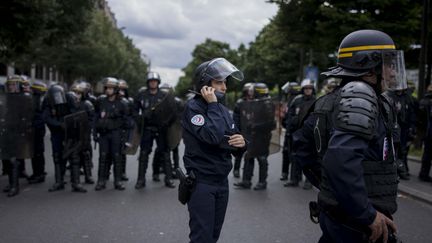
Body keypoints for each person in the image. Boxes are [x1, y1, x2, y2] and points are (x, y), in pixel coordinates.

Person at [292, 29, 402, 243]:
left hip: (339, 212)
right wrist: (366, 213)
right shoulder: (360, 98)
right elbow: (340, 160)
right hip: (358, 220)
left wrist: (331, 188)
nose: (393, 73)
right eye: (389, 64)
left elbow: (304, 152)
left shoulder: (330, 100)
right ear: (369, 69)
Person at [182, 57, 246, 243]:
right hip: (202, 182)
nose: (225, 87)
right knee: (202, 237)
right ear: (205, 85)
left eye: (225, 82)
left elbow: (230, 140)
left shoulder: (223, 111)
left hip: (221, 181)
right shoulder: (193, 108)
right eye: (219, 82)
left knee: (213, 236)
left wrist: (243, 143)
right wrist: (212, 105)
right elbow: (213, 136)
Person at [134, 72, 176, 189]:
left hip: (161, 129)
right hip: (147, 129)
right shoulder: (141, 95)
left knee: (165, 154)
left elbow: (173, 112)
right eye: (151, 81)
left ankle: (168, 179)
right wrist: (140, 119)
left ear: (158, 82)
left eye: (155, 81)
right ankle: (140, 180)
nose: (153, 83)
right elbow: (134, 110)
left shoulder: (164, 96)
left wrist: (166, 124)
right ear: (148, 83)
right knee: (143, 154)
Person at [43, 84, 87, 193]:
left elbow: (76, 113)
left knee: (74, 156)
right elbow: (46, 117)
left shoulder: (69, 98)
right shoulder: (47, 101)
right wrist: (58, 125)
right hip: (56, 132)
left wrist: (68, 123)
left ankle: (76, 183)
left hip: (70, 132)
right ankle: (59, 182)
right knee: (58, 157)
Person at [234, 82, 276, 190]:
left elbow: (271, 124)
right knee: (249, 156)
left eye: (253, 91)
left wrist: (255, 126)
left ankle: (262, 182)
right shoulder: (254, 102)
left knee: (262, 158)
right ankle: (246, 181)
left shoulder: (267, 104)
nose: (250, 93)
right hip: (252, 135)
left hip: (263, 136)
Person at [0, 75, 34, 196]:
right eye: (10, 85)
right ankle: (11, 182)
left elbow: (29, 115)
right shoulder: (5, 98)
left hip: (18, 131)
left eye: (14, 84)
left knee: (14, 159)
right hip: (7, 131)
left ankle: (15, 186)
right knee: (7, 159)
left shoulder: (25, 98)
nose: (11, 87)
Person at [93, 77, 128, 191]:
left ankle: (118, 181)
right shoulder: (101, 101)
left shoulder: (122, 104)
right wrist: (94, 133)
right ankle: (101, 181)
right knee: (103, 157)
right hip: (103, 134)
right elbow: (96, 117)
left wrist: (125, 137)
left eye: (111, 88)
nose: (108, 90)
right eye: (107, 88)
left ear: (116, 89)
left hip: (116, 134)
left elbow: (126, 122)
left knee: (117, 157)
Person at [284, 78, 316, 189]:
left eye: (310, 89)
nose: (308, 90)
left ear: (313, 90)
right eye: (306, 88)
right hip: (297, 133)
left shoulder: (316, 101)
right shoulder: (297, 101)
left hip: (310, 135)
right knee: (295, 157)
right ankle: (294, 179)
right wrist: (289, 130)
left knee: (310, 158)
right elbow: (289, 116)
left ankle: (309, 181)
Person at [71, 82, 96, 184]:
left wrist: (88, 129)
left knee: (86, 155)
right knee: (74, 157)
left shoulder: (87, 104)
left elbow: (92, 119)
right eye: (75, 93)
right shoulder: (70, 105)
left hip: (84, 134)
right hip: (73, 134)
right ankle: (75, 180)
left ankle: (88, 176)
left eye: (79, 93)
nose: (77, 95)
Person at [231, 82, 254, 178]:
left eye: (253, 90)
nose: (251, 92)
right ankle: (236, 170)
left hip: (252, 133)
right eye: (250, 90)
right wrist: (237, 132)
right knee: (239, 153)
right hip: (242, 131)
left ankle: (248, 174)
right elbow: (235, 119)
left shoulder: (256, 102)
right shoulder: (240, 103)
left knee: (251, 154)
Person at [28, 80, 48, 184]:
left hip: (37, 129)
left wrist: (33, 124)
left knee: (37, 152)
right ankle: (38, 172)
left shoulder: (41, 100)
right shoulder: (38, 99)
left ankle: (39, 174)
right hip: (35, 128)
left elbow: (41, 116)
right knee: (36, 152)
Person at [419, 84, 432, 182]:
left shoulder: (423, 101)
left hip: (426, 132)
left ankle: (423, 174)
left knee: (427, 154)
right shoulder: (429, 102)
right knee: (427, 154)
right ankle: (424, 174)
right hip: (429, 131)